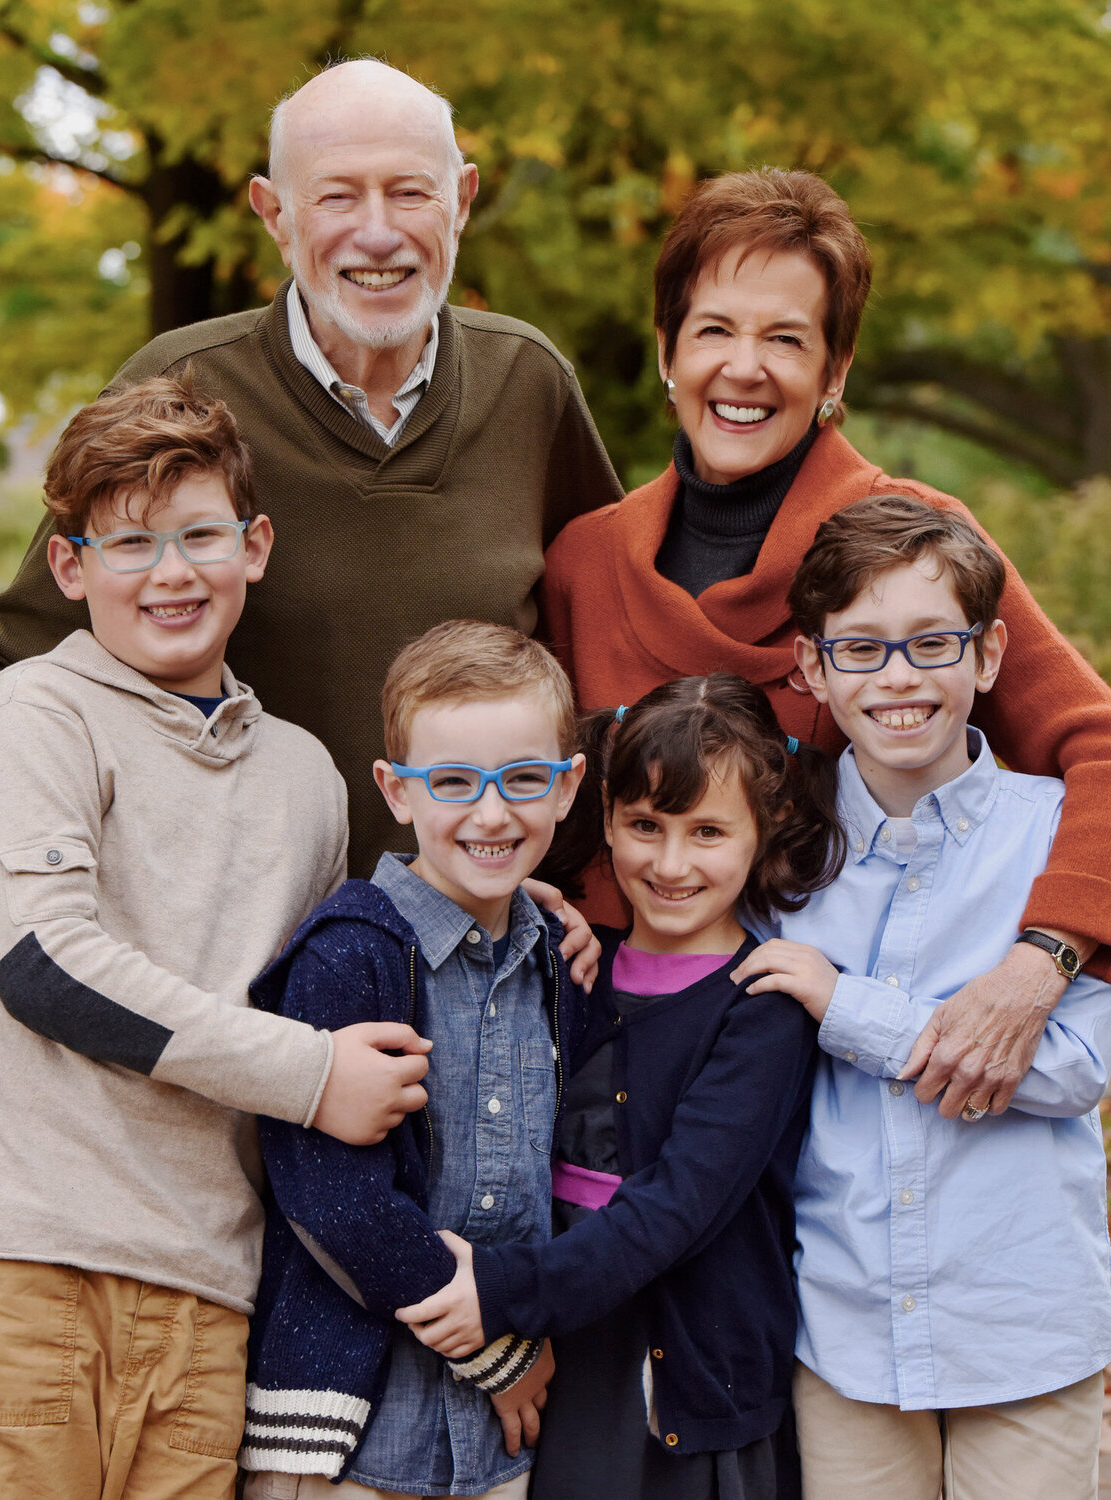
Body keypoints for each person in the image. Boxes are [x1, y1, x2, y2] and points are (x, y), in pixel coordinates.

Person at [0, 57, 620, 1003]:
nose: (377, 231)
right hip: (235, 972)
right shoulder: (187, 389)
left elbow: (604, 651)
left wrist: (580, 878)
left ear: (461, 201)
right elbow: (6, 648)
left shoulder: (527, 385)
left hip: (483, 967)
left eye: (409, 191)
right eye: (336, 195)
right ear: (274, 213)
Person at [0, 377, 433, 1500]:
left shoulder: (304, 776)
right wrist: (307, 1076)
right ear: (70, 568)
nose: (171, 573)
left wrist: (519, 909)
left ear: (254, 546)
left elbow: (342, 957)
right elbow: (46, 965)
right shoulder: (35, 714)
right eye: (130, 543)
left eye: (199, 536)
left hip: (207, 1294)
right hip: (20, 1264)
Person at [539, 166, 1111, 1119]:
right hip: (602, 1074)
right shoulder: (583, 564)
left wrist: (1045, 955)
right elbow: (536, 801)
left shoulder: (914, 550)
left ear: (835, 372)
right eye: (715, 329)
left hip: (833, 1094)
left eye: (787, 339)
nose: (745, 367)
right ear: (666, 351)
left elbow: (1098, 743)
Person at [731, 496, 1111, 1500]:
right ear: (811, 668)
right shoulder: (780, 861)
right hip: (844, 1326)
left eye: (931, 644)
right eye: (859, 650)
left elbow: (1076, 1070)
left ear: (988, 656)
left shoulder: (1059, 841)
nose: (898, 679)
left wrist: (849, 1008)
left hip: (1024, 1327)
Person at [397, 675, 847, 1500]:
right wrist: (504, 904)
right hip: (549, 1365)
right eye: (645, 826)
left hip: (683, 1384)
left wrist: (503, 1295)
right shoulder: (568, 961)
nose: (670, 864)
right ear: (603, 816)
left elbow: (677, 1205)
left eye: (708, 831)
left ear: (767, 826)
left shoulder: (767, 1005)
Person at [240, 620, 589, 1499]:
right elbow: (334, 1196)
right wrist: (500, 1349)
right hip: (350, 1434)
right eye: (454, 783)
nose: (491, 813)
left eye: (523, 779)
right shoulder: (352, 954)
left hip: (499, 1446)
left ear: (569, 786)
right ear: (396, 792)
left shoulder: (559, 960)